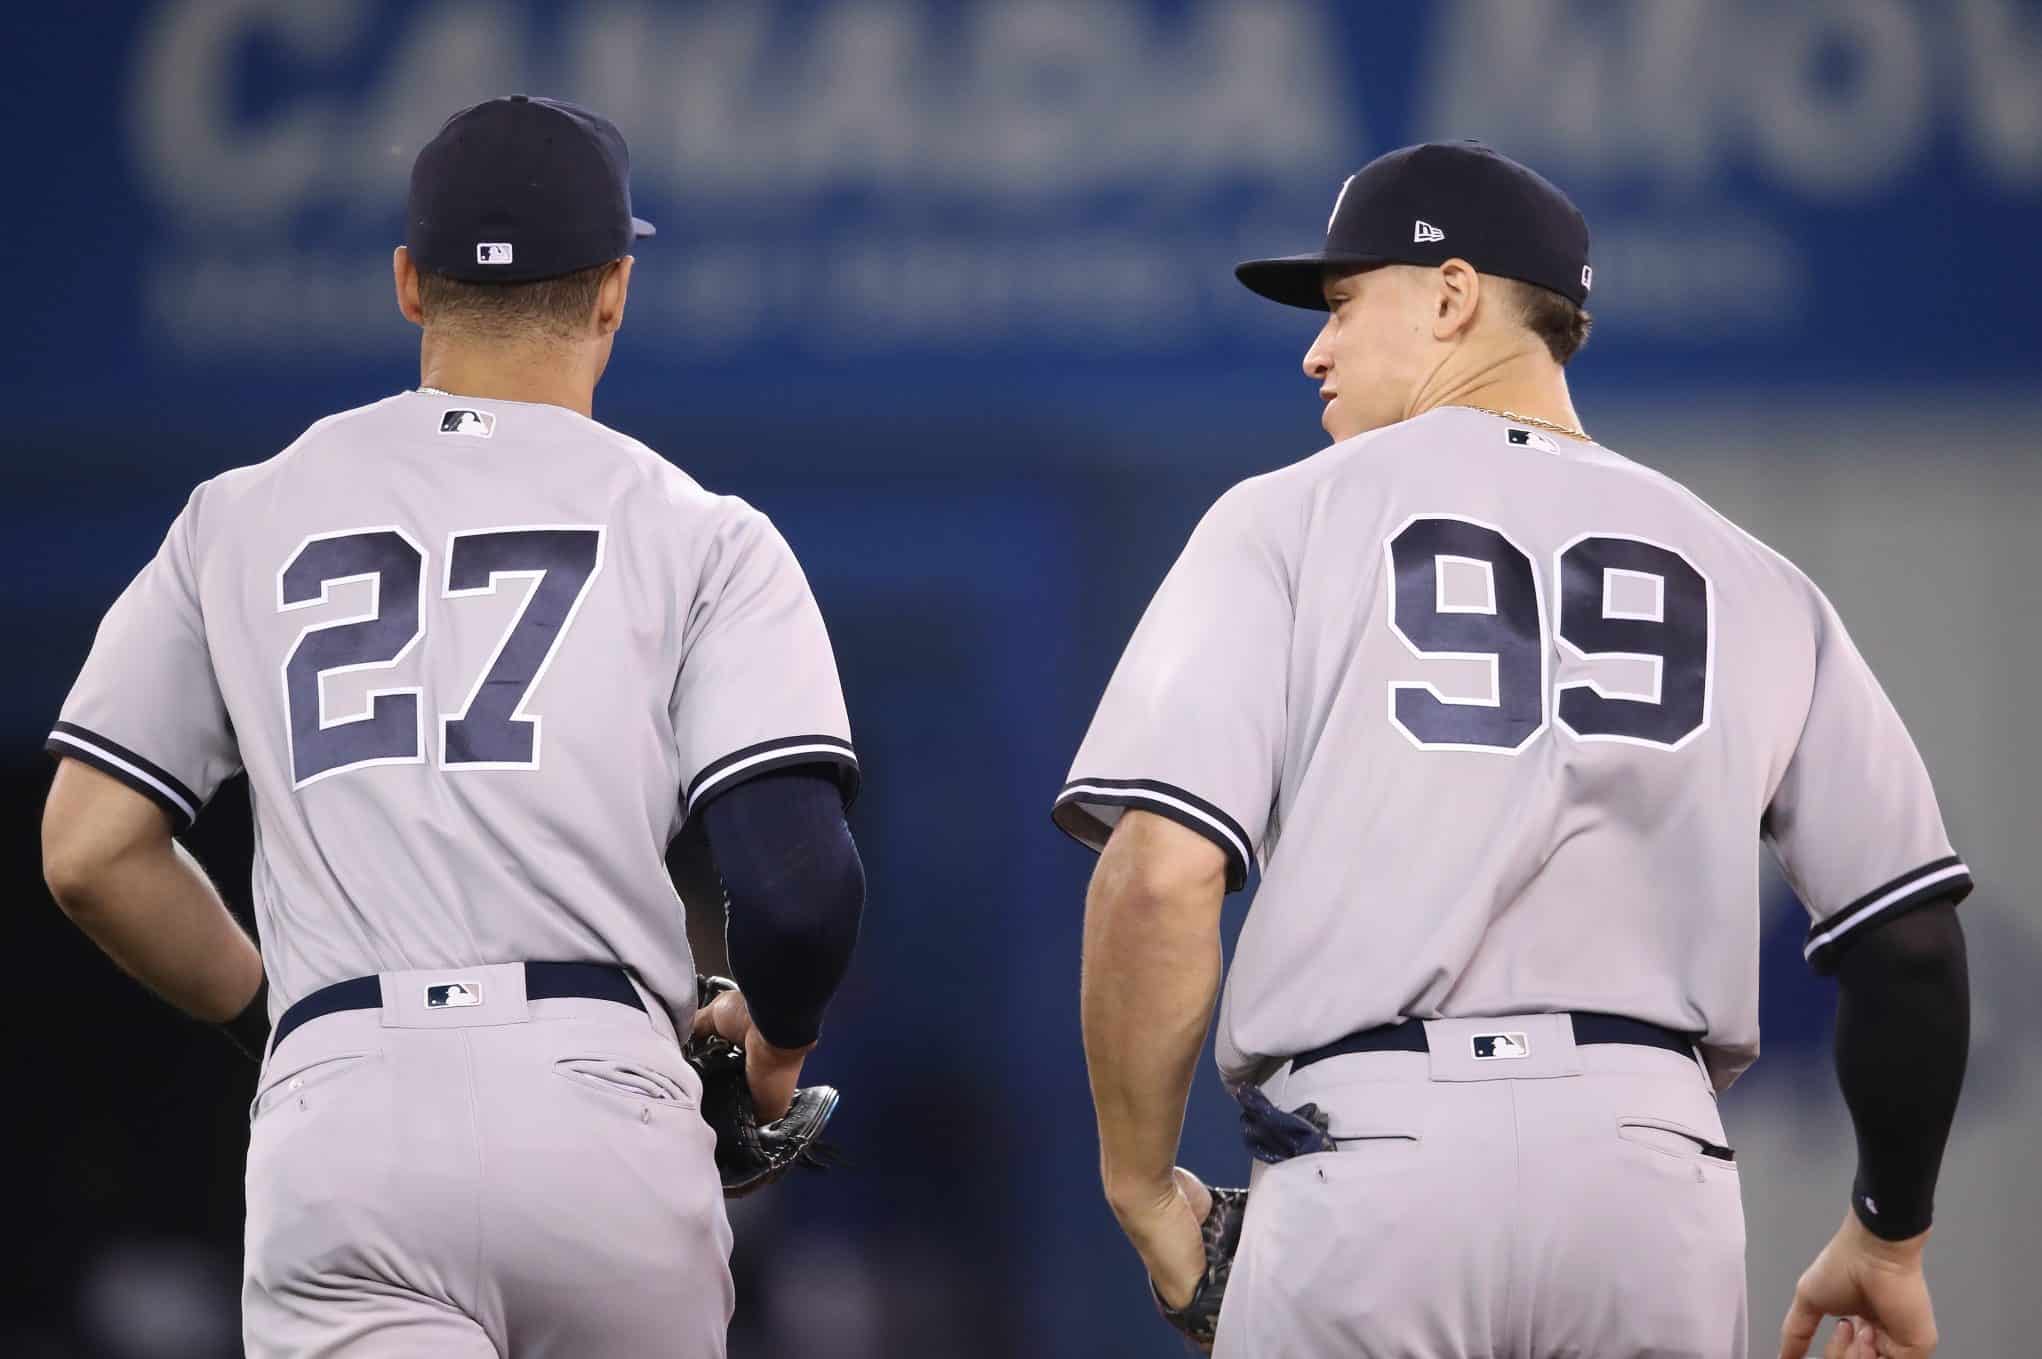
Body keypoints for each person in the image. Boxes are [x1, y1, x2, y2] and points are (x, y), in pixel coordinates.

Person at [1052, 141, 1971, 1358]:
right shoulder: (1754, 579)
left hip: (1373, 1162)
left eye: (1340, 304)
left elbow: (1162, 875)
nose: (1313, 350)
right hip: (1649, 1176)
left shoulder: (1286, 518)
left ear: (1450, 294)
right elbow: (1906, 944)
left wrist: (1139, 1189)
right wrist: (1885, 1233)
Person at [40, 94, 865, 1358]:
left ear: (409, 286)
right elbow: (798, 889)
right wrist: (772, 1053)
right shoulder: (701, 533)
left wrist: (285, 1015)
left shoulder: (237, 516)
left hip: (348, 1113)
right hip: (600, 1105)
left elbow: (90, 850)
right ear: (613, 293)